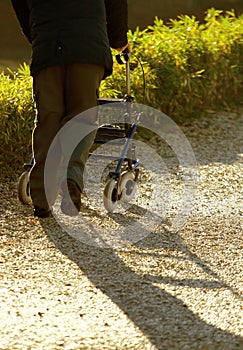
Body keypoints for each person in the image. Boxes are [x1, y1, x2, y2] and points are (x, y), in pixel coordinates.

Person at [11, 0, 130, 218]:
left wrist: (39, 34)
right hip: (88, 46)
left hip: (47, 47)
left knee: (48, 121)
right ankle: (71, 177)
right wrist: (119, 39)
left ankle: (42, 198)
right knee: (82, 118)